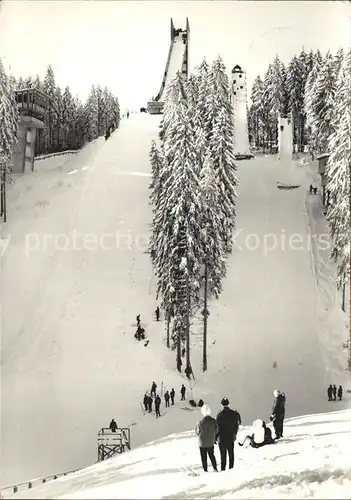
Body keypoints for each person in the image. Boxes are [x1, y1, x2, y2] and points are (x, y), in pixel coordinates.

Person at [216, 397, 241, 471]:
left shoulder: (219, 415)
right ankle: (231, 468)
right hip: (230, 437)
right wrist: (234, 434)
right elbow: (236, 426)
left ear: (221, 405)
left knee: (223, 456)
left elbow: (217, 428)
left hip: (222, 438)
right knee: (231, 454)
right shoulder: (233, 414)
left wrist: (216, 437)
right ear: (228, 404)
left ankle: (223, 469)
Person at [195, 404, 218, 472]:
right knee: (211, 455)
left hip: (202, 442)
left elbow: (197, 432)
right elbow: (217, 430)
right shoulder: (213, 421)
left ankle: (205, 469)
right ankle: (215, 468)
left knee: (203, 457)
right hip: (211, 442)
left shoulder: (200, 422)